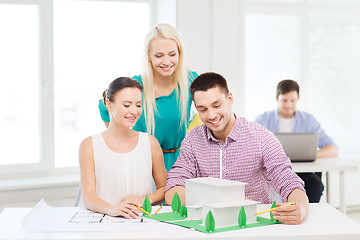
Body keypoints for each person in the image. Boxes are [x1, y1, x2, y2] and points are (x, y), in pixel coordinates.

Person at [165, 72, 309, 225]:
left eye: (217, 105)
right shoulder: (193, 140)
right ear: (196, 108)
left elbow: (289, 182)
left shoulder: (261, 138)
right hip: (207, 228)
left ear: (230, 99)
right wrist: (229, 199)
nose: (212, 115)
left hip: (254, 226)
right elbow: (172, 192)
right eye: (203, 109)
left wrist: (301, 208)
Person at [98, 24, 198, 171]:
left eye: (172, 54)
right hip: (141, 164)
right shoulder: (136, 86)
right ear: (149, 57)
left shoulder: (190, 80)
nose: (166, 62)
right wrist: (125, 137)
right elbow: (104, 106)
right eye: (159, 56)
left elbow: (210, 110)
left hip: (179, 164)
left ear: (179, 53)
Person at [80, 77, 167, 219]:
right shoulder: (89, 145)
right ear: (109, 104)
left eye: (138, 105)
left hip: (141, 222)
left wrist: (146, 200)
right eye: (127, 105)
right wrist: (113, 209)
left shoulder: (150, 142)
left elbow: (164, 189)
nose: (134, 111)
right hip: (104, 222)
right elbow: (88, 196)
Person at [254, 79, 338, 203]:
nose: (289, 105)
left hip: (302, 173)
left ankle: (305, 216)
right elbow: (252, 147)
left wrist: (312, 155)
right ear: (277, 99)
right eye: (285, 100)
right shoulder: (262, 120)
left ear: (298, 99)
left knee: (315, 185)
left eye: (292, 100)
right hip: (273, 173)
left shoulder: (308, 120)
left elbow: (333, 148)